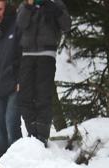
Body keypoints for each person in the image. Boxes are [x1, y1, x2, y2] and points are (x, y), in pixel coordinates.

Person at [17, 0, 71, 146]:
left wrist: (53, 8)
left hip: (47, 54)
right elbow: (20, 24)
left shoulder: (56, 4)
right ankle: (31, 132)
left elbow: (67, 25)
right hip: (27, 54)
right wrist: (28, 5)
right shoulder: (25, 5)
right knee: (25, 96)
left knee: (43, 95)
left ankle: (42, 135)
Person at [0, 0, 22, 158]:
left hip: (14, 84)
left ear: (6, 9)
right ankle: (2, 158)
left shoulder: (17, 27)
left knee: (11, 122)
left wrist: (20, 80)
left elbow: (24, 56)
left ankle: (17, 156)